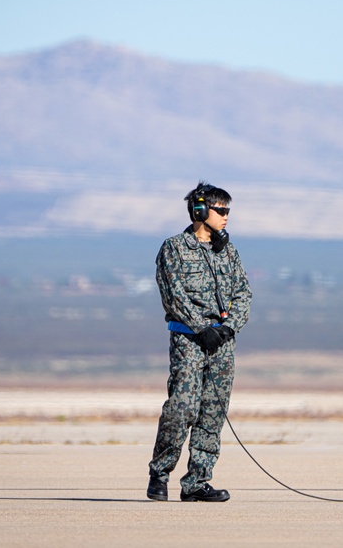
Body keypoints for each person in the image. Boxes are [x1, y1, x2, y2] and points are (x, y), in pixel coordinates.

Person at [146, 181, 253, 502]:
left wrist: (228, 327)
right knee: (182, 407)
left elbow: (244, 294)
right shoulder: (174, 248)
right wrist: (199, 328)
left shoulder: (229, 252)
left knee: (212, 411)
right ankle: (160, 472)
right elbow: (173, 295)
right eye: (221, 210)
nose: (226, 217)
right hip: (188, 341)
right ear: (200, 211)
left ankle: (196, 482)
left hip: (222, 342)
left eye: (228, 211)